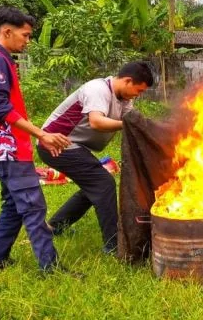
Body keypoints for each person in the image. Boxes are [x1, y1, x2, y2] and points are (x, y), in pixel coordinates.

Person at [0, 7, 72, 273]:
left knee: (14, 206)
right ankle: (50, 268)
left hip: (4, 149)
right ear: (7, 31)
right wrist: (42, 134)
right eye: (25, 35)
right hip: (8, 149)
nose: (28, 41)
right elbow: (1, 107)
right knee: (33, 206)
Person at [38, 61, 154, 254]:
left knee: (93, 185)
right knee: (103, 183)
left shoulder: (124, 99)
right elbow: (97, 122)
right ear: (127, 81)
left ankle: (56, 225)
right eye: (139, 90)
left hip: (76, 146)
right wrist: (129, 124)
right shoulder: (97, 89)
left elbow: (133, 121)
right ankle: (113, 244)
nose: (138, 95)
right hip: (56, 144)